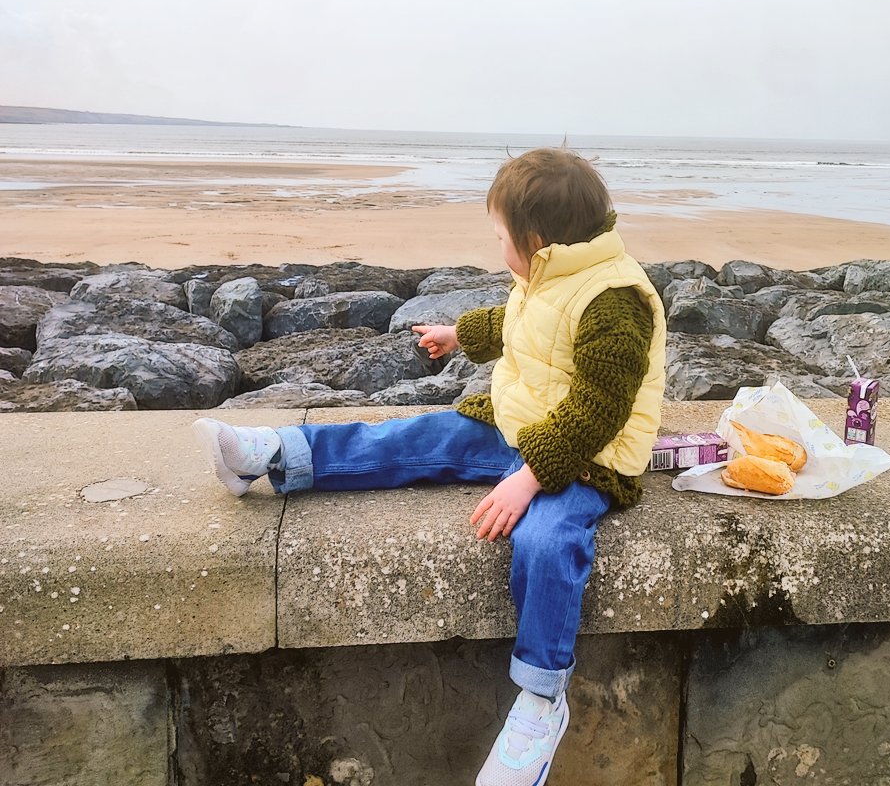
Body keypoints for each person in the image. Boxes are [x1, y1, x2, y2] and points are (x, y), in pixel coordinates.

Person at [192, 147, 667, 786]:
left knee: (547, 541)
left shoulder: (616, 298)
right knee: (414, 438)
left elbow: (599, 409)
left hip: (588, 457)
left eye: (500, 236)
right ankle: (277, 456)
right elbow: (526, 326)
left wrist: (529, 478)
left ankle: (540, 699)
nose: (498, 246)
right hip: (519, 424)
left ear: (533, 239)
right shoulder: (554, 273)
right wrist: (458, 334)